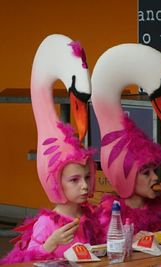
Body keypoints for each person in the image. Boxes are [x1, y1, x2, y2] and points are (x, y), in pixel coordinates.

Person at [0, 34, 100, 264]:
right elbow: (26, 261)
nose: (85, 185)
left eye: (87, 177)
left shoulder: (90, 216)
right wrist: (50, 244)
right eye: (74, 180)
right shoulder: (47, 224)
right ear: (55, 182)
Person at [96, 116, 161, 243]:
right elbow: (104, 247)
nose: (156, 177)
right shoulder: (110, 212)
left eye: (155, 171)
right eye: (146, 173)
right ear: (127, 179)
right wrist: (131, 242)